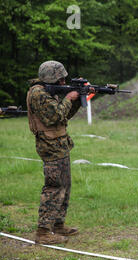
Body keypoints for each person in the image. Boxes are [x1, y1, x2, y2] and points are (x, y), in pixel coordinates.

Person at [27, 61, 86, 244]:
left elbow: (65, 115)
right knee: (54, 186)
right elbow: (55, 117)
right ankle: (43, 232)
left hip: (60, 145)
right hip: (50, 146)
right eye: (60, 79)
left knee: (65, 185)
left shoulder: (47, 92)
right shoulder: (38, 94)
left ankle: (58, 224)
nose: (63, 82)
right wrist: (69, 97)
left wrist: (77, 99)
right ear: (50, 78)